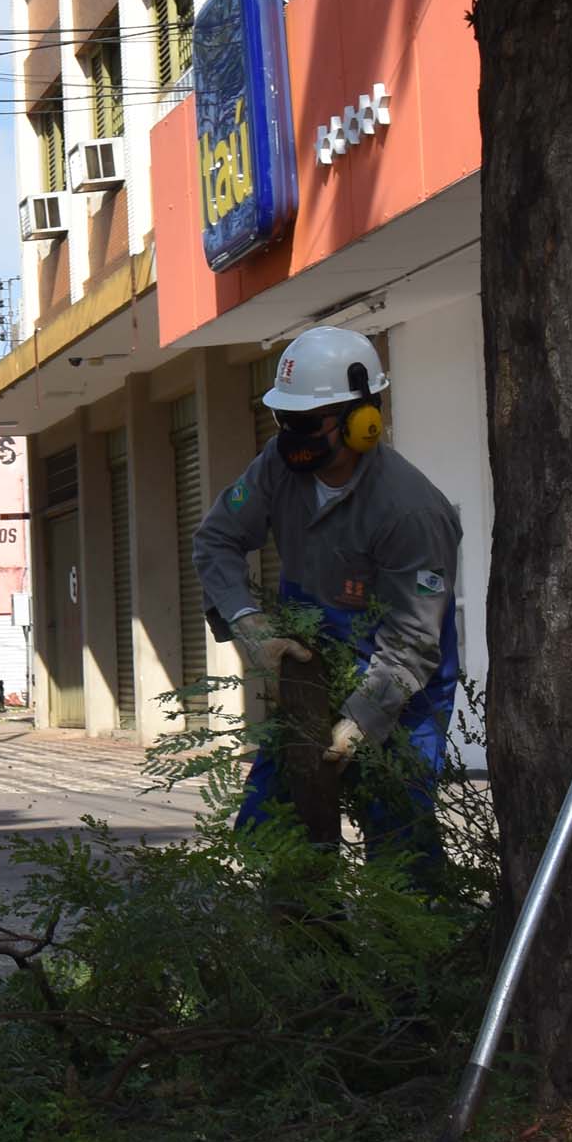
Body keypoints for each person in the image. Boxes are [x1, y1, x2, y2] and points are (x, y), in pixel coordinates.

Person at [192, 324, 462, 868]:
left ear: (362, 421)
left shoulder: (410, 511)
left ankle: (426, 948)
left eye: (306, 423)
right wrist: (249, 623)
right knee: (275, 829)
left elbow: (413, 639)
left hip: (400, 679)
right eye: (283, 420)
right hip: (313, 667)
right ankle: (306, 942)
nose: (291, 436)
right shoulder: (277, 467)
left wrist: (361, 721)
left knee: (399, 838)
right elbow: (217, 539)